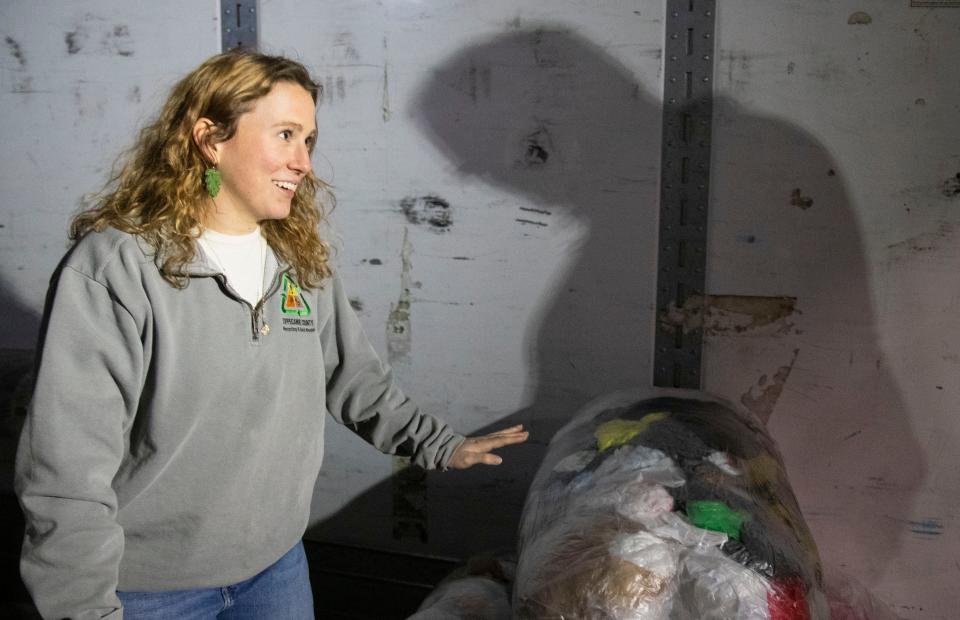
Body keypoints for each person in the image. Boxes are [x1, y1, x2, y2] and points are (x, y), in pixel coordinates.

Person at [15, 49, 528, 620]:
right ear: (210, 138)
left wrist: (439, 443)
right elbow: (65, 470)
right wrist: (81, 610)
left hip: (275, 570)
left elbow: (353, 376)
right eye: (285, 135)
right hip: (147, 591)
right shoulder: (118, 268)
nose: (303, 161)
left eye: (308, 140)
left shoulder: (297, 258)